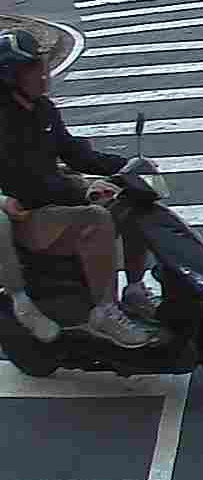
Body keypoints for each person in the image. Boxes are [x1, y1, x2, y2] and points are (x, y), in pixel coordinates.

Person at [0, 29, 159, 348]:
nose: (43, 74)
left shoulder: (43, 109)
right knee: (96, 220)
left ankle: (134, 288)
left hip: (55, 204)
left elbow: (73, 152)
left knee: (133, 203)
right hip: (27, 217)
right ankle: (105, 310)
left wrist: (125, 167)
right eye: (33, 69)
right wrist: (82, 189)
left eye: (43, 65)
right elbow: (31, 182)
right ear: (11, 76)